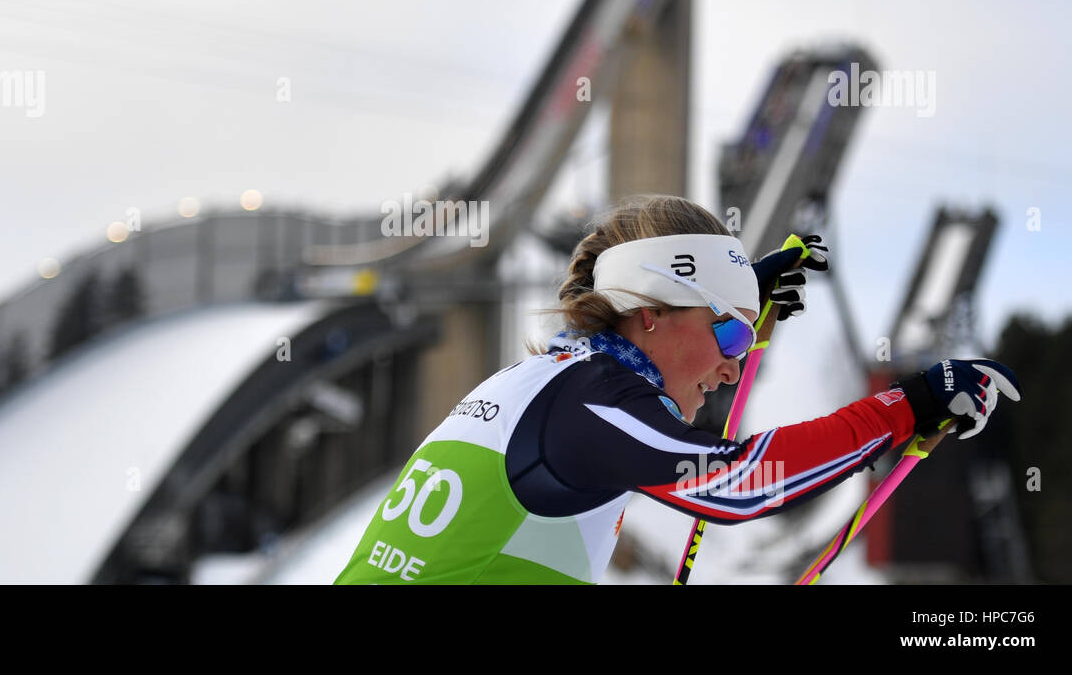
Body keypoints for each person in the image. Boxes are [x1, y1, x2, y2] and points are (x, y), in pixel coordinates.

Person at [334, 194, 1020, 584]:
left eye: (745, 344)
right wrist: (907, 406)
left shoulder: (553, 383)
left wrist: (730, 294)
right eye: (728, 337)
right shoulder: (594, 403)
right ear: (650, 313)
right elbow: (738, 482)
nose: (732, 367)